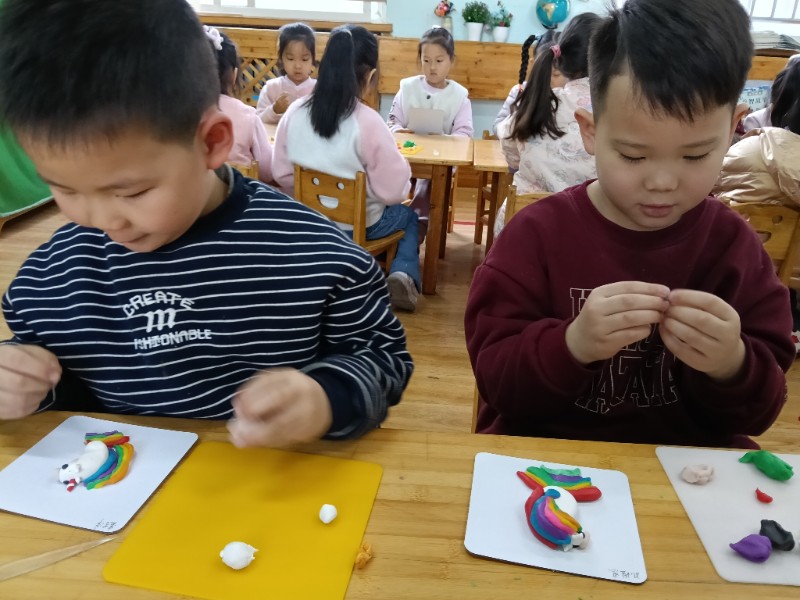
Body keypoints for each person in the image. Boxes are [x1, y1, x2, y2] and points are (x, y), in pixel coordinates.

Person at [0, 0, 413, 449]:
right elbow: (58, 376)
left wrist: (325, 397)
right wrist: (24, 380)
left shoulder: (316, 256)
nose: (101, 220)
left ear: (213, 142)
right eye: (65, 189)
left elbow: (382, 358)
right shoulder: (54, 277)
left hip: (272, 479)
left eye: (131, 192)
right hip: (110, 481)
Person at [465, 0, 795, 449]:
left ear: (735, 129)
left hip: (686, 472)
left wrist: (732, 364)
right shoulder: (535, 236)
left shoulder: (733, 247)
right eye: (633, 156)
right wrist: (573, 344)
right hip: (548, 464)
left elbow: (760, 410)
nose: (662, 182)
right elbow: (497, 382)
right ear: (590, 131)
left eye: (695, 155)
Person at [272, 25, 421, 312]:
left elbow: (281, 173)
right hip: (359, 228)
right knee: (408, 217)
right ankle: (402, 275)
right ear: (370, 76)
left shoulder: (294, 112)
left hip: (310, 223)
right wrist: (403, 167)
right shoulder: (369, 122)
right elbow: (393, 193)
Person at [493, 13, 600, 236]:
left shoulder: (539, 103)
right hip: (581, 232)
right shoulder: (613, 110)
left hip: (520, 223)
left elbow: (509, 145)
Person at [387, 27, 473, 240]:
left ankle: (417, 226)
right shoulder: (407, 88)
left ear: (451, 60)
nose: (432, 67)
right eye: (426, 61)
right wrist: (400, 131)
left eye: (439, 61)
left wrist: (443, 139)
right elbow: (392, 123)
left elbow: (465, 135)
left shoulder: (459, 96)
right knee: (385, 172)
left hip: (439, 163)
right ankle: (388, 223)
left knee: (429, 181)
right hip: (406, 157)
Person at [205, 26, 273, 183]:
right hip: (239, 193)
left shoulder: (182, 113)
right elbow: (267, 171)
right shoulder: (247, 115)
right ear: (234, 74)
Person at [491, 30, 564, 136]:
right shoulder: (519, 91)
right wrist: (518, 120)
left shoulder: (570, 96)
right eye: (542, 72)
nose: (547, 80)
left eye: (556, 74)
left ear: (569, 71)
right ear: (532, 65)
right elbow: (497, 126)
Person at [255, 22, 317, 125]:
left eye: (305, 59)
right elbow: (258, 120)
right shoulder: (272, 87)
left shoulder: (318, 89)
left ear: (312, 60)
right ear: (281, 59)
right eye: (290, 58)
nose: (298, 66)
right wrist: (274, 110)